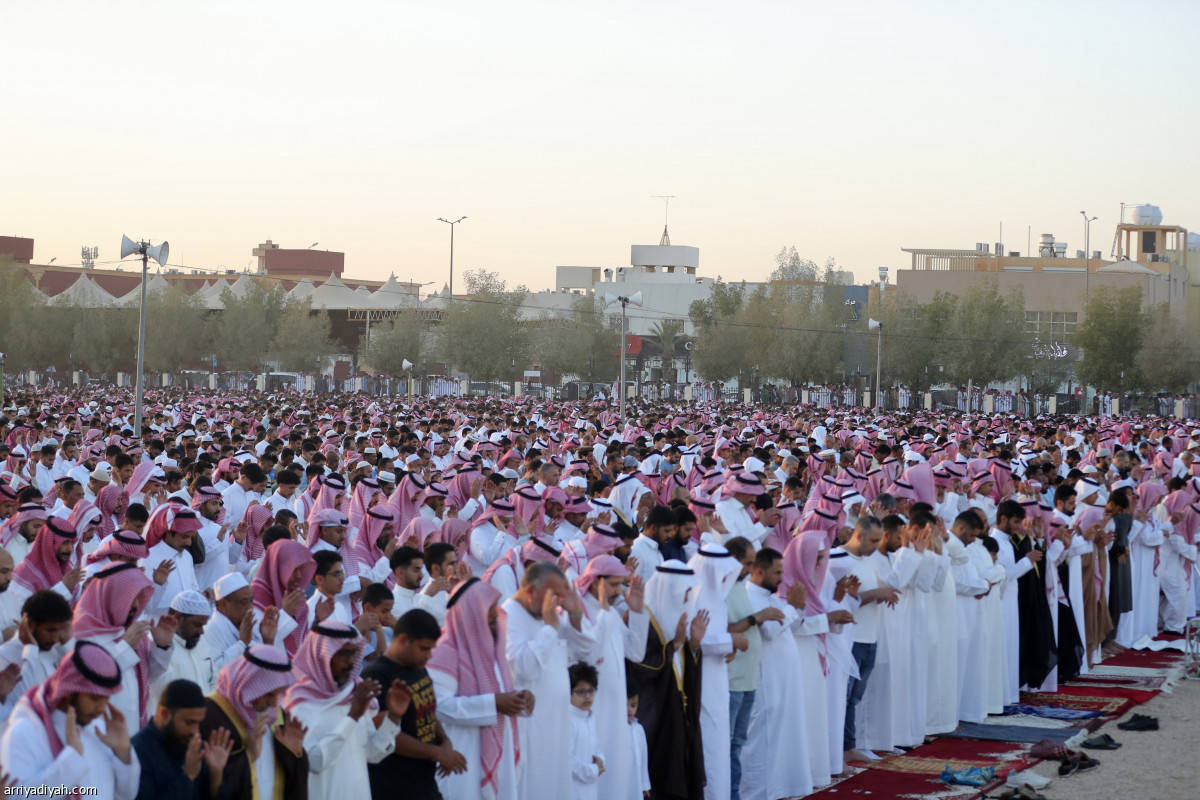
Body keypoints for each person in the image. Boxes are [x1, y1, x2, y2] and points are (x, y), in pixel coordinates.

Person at [502, 560, 596, 800]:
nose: (558, 602)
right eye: (554, 595)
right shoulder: (508, 616)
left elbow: (586, 651)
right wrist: (551, 629)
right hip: (530, 727)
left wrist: (575, 614)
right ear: (532, 591)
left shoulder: (547, 615)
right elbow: (522, 668)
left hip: (557, 724)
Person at [284, 620, 411, 798]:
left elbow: (372, 754)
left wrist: (394, 718)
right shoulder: (300, 702)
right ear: (322, 656)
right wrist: (352, 717)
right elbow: (313, 762)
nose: (351, 662)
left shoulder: (353, 696)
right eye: (343, 655)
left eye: (353, 654)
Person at [427, 578, 529, 800]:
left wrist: (520, 699)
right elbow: (439, 707)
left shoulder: (492, 648)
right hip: (463, 758)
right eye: (488, 609)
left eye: (495, 607)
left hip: (501, 753)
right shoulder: (445, 652)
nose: (495, 614)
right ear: (472, 612)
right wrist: (494, 703)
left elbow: (500, 691)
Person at [1, 640, 140, 800]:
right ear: (70, 690)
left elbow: (125, 796)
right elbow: (16, 796)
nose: (101, 709)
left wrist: (123, 754)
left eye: (106, 699)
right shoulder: (24, 733)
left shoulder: (100, 731)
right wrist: (71, 759)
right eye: (94, 698)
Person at [363, 609, 467, 800]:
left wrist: (444, 741)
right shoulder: (377, 675)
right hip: (393, 787)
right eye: (424, 648)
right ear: (403, 640)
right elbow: (385, 734)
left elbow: (425, 709)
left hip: (424, 783)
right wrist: (437, 753)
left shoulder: (417, 666)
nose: (429, 655)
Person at [628, 560, 708, 800]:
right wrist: (673, 646)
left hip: (679, 711)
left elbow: (684, 666)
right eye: (684, 592)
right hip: (656, 713)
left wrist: (693, 645)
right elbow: (639, 664)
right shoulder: (644, 617)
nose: (687, 599)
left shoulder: (679, 618)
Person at [74, 562, 179, 728]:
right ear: (112, 596)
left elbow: (149, 676)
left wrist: (162, 647)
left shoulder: (129, 630)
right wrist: (125, 646)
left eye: (139, 598)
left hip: (134, 729)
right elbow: (90, 681)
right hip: (100, 732)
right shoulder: (82, 634)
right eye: (131, 598)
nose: (136, 605)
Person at [200, 645, 309, 800]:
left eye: (277, 695)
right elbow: (203, 783)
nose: (273, 703)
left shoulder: (278, 717)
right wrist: (248, 756)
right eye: (269, 694)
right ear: (250, 683)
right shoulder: (212, 714)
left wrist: (295, 755)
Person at [131, 679, 233, 800]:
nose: (195, 731)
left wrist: (216, 774)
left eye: (199, 723)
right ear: (164, 714)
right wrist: (188, 775)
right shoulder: (137, 752)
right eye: (189, 722)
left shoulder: (193, 744)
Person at [151, 589, 218, 700]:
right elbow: (165, 691)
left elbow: (214, 680)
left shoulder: (201, 643)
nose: (202, 631)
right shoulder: (158, 647)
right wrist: (162, 647)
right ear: (177, 618)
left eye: (203, 625)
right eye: (197, 624)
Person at [568, 661, 604, 800]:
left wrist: (600, 760)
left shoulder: (590, 717)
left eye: (591, 691)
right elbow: (568, 760)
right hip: (574, 789)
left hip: (590, 789)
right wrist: (593, 770)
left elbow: (596, 747)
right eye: (581, 692)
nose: (588, 696)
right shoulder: (568, 720)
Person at [626, 676, 651, 800]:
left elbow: (643, 759)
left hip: (636, 782)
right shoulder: (615, 730)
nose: (629, 709)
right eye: (625, 705)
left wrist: (644, 785)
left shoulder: (638, 729)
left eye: (633, 705)